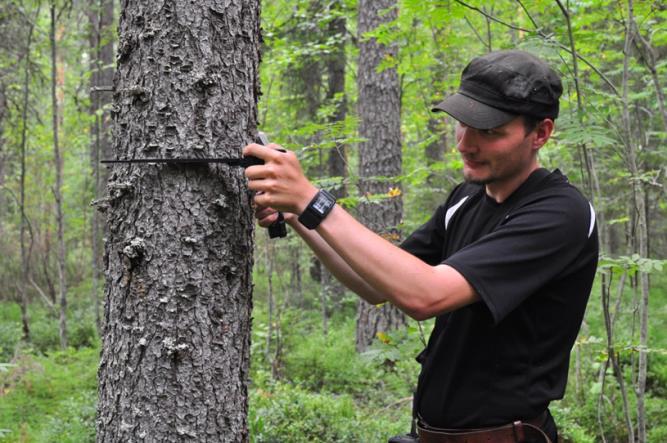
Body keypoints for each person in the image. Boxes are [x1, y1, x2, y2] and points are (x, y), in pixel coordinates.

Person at [243, 50, 598, 443]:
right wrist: (297, 214)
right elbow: (375, 285)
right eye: (462, 124)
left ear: (541, 134)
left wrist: (312, 200)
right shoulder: (465, 199)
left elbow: (424, 295)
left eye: (490, 131)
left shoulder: (561, 213)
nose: (465, 144)